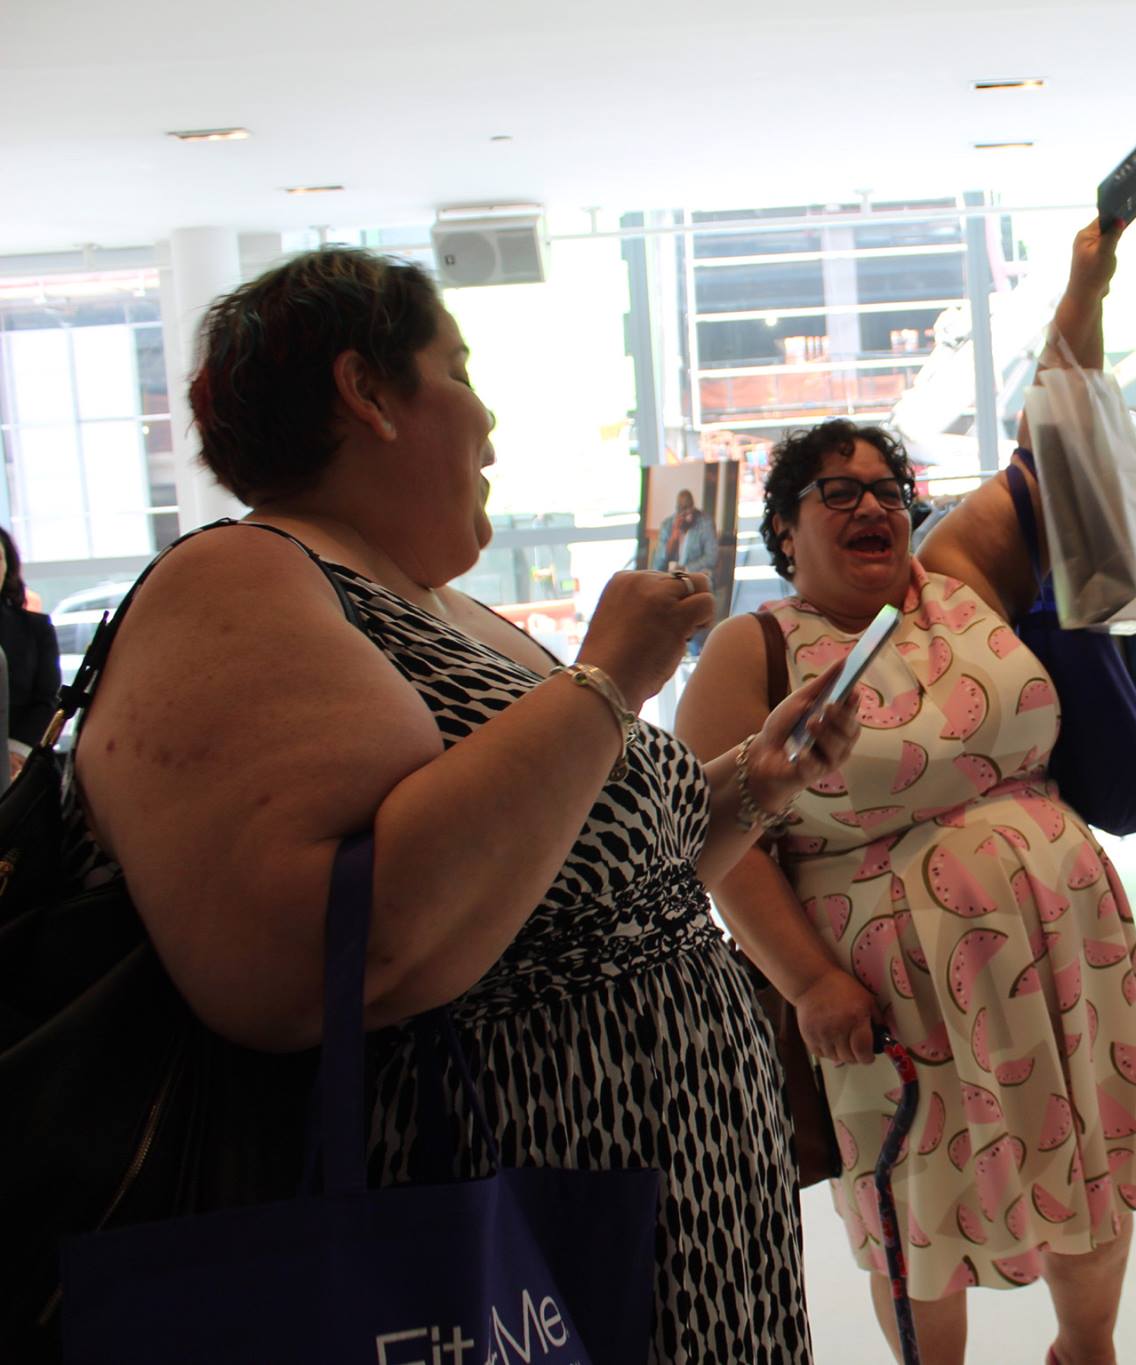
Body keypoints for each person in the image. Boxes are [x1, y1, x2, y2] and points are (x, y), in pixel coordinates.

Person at [67, 246, 859, 1361]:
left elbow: (589, 884)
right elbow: (315, 961)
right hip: (498, 1226)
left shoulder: (437, 603)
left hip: (672, 1195)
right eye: (458, 370)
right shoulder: (239, 579)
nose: (487, 421)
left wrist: (755, 781)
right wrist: (607, 681)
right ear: (366, 391)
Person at [680, 220, 1136, 1365]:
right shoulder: (754, 649)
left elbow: (1055, 435)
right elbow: (719, 840)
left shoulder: (954, 579)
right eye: (835, 492)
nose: (870, 506)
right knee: (914, 1193)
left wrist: (1083, 288)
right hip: (890, 982)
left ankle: (1086, 1350)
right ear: (782, 529)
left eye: (886, 488)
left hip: (1063, 940)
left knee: (1087, 1152)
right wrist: (807, 983)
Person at [0, 525, 60, 767]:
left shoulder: (36, 628)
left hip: (17, 762)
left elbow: (47, 699)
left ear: (8, 567)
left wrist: (15, 753)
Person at [654, 487, 717, 576]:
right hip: (671, 577)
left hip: (696, 575)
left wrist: (686, 568)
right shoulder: (667, 526)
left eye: (690, 508)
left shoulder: (706, 523)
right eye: (683, 510)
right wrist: (673, 538)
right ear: (677, 509)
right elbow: (657, 564)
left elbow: (711, 557)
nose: (689, 516)